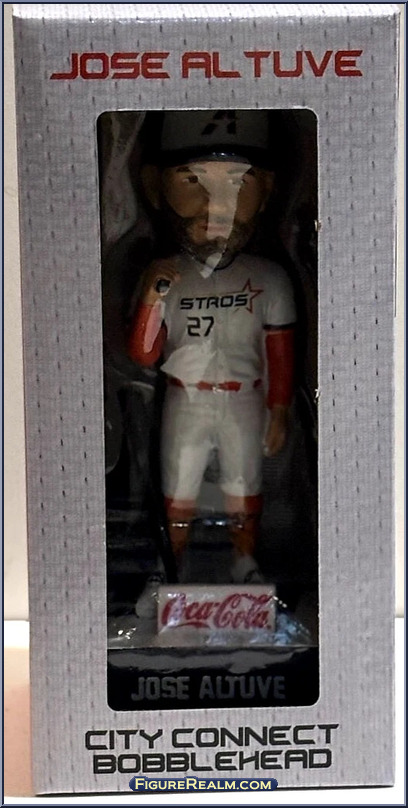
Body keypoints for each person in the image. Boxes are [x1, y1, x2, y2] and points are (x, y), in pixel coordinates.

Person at [128, 110, 296, 587]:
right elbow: (143, 355)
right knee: (178, 485)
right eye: (192, 179)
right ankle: (171, 566)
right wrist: (151, 299)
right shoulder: (168, 275)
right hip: (187, 397)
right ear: (156, 186)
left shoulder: (269, 277)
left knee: (243, 482)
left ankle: (244, 561)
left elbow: (280, 352)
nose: (217, 204)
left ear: (268, 188)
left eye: (239, 181)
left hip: (245, 399)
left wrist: (279, 409)